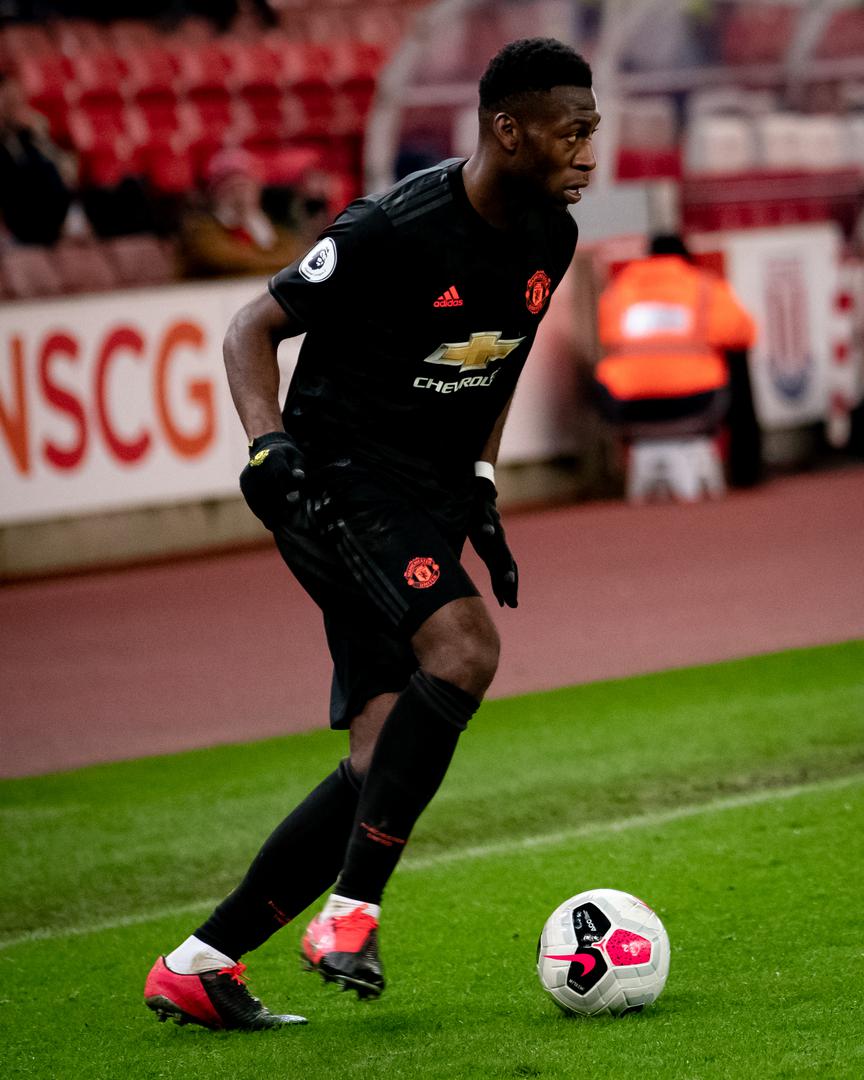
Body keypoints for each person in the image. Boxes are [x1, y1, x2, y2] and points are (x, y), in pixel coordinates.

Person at [144, 37, 599, 1031]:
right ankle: (349, 914)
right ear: (506, 128)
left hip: (428, 489)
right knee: (466, 647)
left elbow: (501, 360)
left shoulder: (550, 238)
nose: (590, 148)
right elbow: (248, 328)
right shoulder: (396, 225)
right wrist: (268, 449)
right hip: (336, 478)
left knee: (376, 755)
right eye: (573, 128)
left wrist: (480, 481)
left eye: (594, 127)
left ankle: (201, 961)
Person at [595, 233, 761, 486]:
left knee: (605, 368)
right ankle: (748, 469)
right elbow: (745, 333)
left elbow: (607, 337)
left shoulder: (618, 290)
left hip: (629, 409)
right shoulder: (704, 287)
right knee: (736, 359)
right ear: (686, 256)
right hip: (696, 403)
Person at [178, 149, 304, 279]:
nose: (240, 195)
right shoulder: (201, 229)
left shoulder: (271, 229)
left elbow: (295, 254)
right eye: (232, 187)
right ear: (217, 193)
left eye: (245, 187)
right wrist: (278, 262)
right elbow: (229, 261)